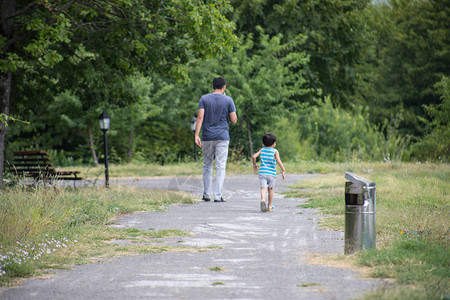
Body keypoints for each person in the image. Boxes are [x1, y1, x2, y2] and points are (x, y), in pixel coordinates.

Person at [195, 77, 237, 202]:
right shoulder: (228, 100)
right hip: (222, 137)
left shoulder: (204, 99)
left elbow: (200, 117)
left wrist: (197, 134)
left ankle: (206, 194)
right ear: (224, 87)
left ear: (213, 86)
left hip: (207, 136)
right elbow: (234, 120)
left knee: (207, 164)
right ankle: (217, 195)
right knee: (220, 166)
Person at [252, 133, 286, 212]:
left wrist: (254, 165)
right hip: (271, 174)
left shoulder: (262, 149)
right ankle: (269, 205)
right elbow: (278, 161)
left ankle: (263, 199)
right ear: (274, 143)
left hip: (262, 172)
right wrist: (283, 169)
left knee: (263, 188)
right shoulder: (275, 151)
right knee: (270, 189)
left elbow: (254, 156)